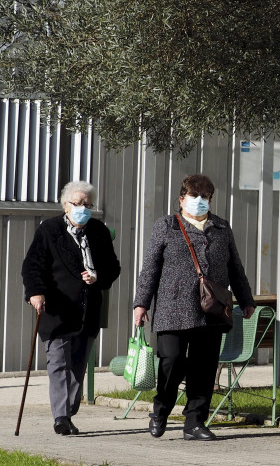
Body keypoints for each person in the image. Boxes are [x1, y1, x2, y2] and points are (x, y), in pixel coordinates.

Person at [133, 174, 256, 441]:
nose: (200, 201)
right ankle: (160, 411)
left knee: (204, 367)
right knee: (172, 361)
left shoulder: (221, 228)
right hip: (172, 308)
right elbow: (151, 267)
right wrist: (141, 303)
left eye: (205, 197)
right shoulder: (167, 225)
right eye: (194, 196)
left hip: (211, 309)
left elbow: (235, 267)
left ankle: (195, 422)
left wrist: (246, 299)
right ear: (182, 199)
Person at [22, 180, 121, 436]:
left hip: (88, 310)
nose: (82, 208)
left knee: (77, 365)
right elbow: (33, 266)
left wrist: (97, 276)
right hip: (57, 309)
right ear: (65, 205)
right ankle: (61, 417)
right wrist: (35, 293)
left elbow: (113, 267)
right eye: (77, 203)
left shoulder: (98, 231)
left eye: (87, 204)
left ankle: (67, 410)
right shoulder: (50, 230)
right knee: (58, 362)